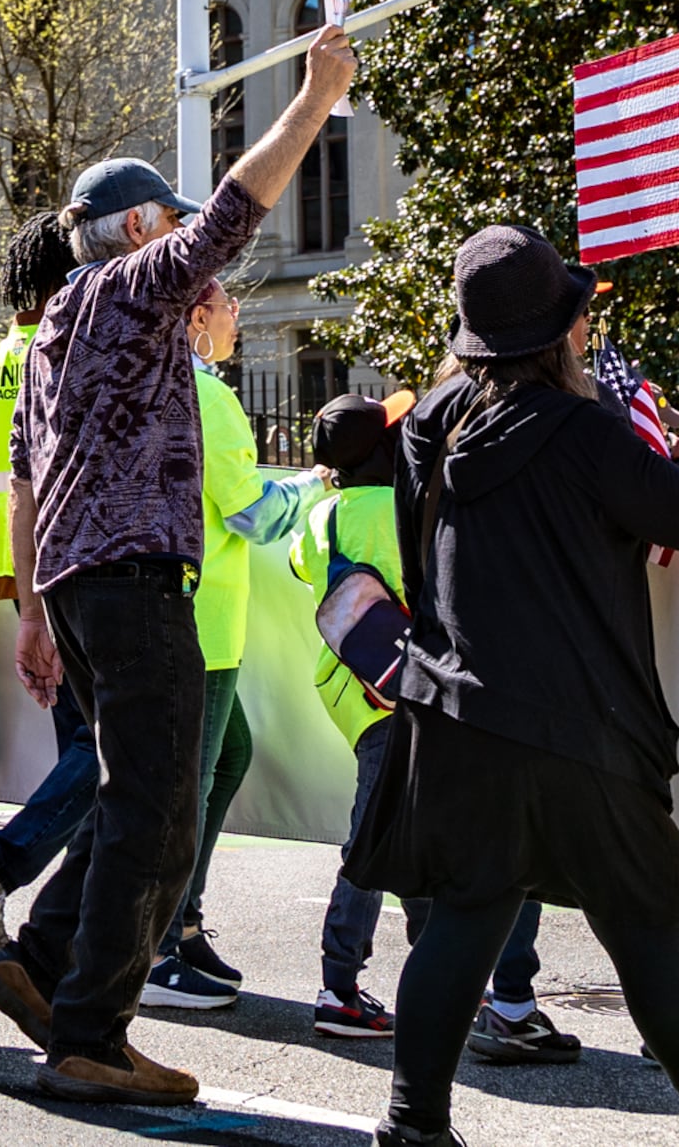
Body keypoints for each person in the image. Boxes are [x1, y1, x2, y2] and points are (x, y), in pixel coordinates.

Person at [348, 225, 679, 1147]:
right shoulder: (585, 430)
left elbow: (419, 563)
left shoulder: (431, 424)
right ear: (555, 331)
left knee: (469, 913)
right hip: (578, 725)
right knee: (642, 927)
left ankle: (413, 1125)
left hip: (457, 713)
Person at [0, 21, 356, 1109]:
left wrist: (43, 613)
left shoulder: (52, 320)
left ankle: (47, 963)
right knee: (158, 812)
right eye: (170, 227)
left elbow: (29, 471)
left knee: (124, 791)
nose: (190, 249)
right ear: (139, 227)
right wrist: (316, 95)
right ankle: (91, 1030)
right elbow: (239, 208)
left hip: (87, 586)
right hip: (136, 585)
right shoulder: (128, 288)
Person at [0, 219, 92, 937]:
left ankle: (69, 908)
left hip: (6, 564)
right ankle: (11, 867)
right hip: (63, 565)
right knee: (98, 749)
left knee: (83, 749)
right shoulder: (60, 347)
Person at [146, 279, 292, 1011]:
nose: (240, 320)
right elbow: (253, 515)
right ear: (199, 317)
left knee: (223, 759)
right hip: (202, 621)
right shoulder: (211, 396)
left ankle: (183, 919)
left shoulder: (149, 383)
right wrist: (312, 486)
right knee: (188, 786)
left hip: (174, 610)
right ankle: (162, 942)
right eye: (233, 307)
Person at [296, 392, 407, 1041]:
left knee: (403, 823)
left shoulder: (325, 515)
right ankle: (339, 986)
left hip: (348, 686)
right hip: (406, 688)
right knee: (374, 835)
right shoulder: (411, 507)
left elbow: (299, 567)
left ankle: (452, 970)